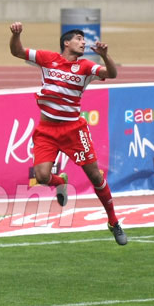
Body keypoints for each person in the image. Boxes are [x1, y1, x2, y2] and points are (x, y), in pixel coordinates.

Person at [9, 21, 127, 245]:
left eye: (84, 40)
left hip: (73, 130)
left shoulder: (85, 67)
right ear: (66, 42)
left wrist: (105, 56)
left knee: (95, 176)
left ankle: (113, 222)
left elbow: (112, 74)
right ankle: (59, 181)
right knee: (42, 177)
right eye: (79, 39)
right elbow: (16, 51)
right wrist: (16, 35)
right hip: (47, 130)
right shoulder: (47, 58)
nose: (83, 43)